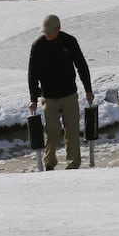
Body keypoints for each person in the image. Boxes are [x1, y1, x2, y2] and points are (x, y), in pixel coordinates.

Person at [28, 14, 94, 170]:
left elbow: (82, 66)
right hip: (48, 97)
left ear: (58, 29)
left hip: (69, 95)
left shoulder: (69, 41)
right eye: (45, 32)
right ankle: (49, 164)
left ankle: (73, 165)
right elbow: (32, 74)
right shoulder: (38, 46)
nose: (47, 34)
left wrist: (88, 90)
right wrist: (33, 99)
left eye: (50, 31)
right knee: (51, 131)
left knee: (72, 131)